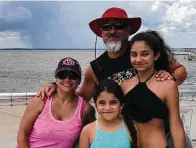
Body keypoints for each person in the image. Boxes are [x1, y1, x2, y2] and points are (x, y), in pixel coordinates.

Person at [37, 7, 187, 102]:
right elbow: (79, 99)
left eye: (119, 26)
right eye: (106, 27)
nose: (112, 31)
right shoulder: (95, 68)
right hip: (120, 130)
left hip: (157, 126)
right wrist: (55, 85)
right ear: (101, 33)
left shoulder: (142, 53)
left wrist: (169, 78)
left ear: (129, 30)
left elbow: (181, 70)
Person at [121, 30, 186, 148]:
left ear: (156, 55)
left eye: (145, 54)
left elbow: (176, 126)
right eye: (134, 54)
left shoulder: (167, 85)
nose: (138, 59)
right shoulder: (125, 85)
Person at [14, 57, 95, 148]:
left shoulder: (85, 110)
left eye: (72, 75)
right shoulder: (41, 100)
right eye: (62, 75)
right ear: (56, 78)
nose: (67, 79)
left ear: (79, 80)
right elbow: (22, 133)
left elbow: (91, 137)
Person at [79, 79, 133, 148]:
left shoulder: (130, 129)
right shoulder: (87, 130)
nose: (107, 108)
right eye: (102, 103)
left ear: (121, 105)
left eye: (113, 102)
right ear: (96, 105)